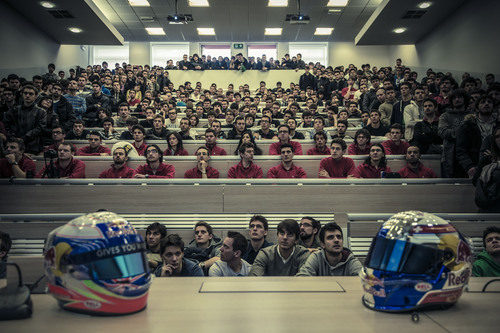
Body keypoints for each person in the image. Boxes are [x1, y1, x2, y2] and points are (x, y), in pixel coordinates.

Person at [297, 222, 362, 276]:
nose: (336, 240)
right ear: (322, 244)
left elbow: (364, 281)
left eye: (339, 237)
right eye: (330, 237)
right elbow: (302, 277)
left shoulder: (350, 260)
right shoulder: (316, 257)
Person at [456, 96, 496, 179]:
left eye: (489, 102)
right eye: (483, 102)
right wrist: (469, 166)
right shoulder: (467, 126)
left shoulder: (498, 125)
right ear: (477, 107)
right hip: (475, 165)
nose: (486, 104)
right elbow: (461, 150)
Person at [4, 85, 46, 154]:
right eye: (25, 93)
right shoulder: (14, 110)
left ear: (35, 96)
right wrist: (14, 137)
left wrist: (24, 138)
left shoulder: (41, 112)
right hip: (14, 144)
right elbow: (6, 125)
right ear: (22, 95)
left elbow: (40, 128)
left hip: (33, 145)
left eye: (31, 94)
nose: (27, 95)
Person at [438, 89, 470, 178]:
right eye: (454, 98)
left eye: (459, 97)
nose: (457, 100)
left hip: (469, 154)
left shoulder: (472, 115)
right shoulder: (445, 116)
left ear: (465, 99)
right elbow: (442, 132)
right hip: (450, 154)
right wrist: (463, 134)